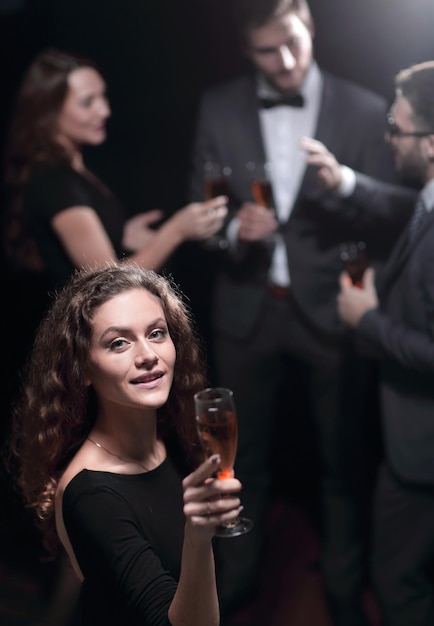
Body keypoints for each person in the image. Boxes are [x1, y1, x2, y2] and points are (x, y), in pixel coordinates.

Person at [187, 1, 409, 624]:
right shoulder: (219, 105)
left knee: (342, 462)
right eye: (266, 50)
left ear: (309, 26)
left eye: (292, 42)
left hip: (333, 313)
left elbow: (403, 212)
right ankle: (236, 583)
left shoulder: (365, 109)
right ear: (244, 49)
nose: (284, 62)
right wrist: (234, 229)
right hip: (247, 312)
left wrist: (344, 185)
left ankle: (343, 584)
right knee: (238, 461)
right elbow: (202, 211)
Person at [4, 262, 244, 626]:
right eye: (118, 343)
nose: (147, 354)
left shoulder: (172, 437)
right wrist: (198, 535)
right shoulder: (92, 495)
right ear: (81, 368)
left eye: (157, 333)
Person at [330, 60, 434, 626]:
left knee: (398, 583)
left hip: (423, 453)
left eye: (398, 128)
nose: (388, 138)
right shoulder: (426, 199)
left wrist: (367, 320)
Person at [2, 47, 227, 296]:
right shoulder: (55, 181)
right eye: (88, 102)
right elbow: (107, 285)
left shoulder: (72, 170)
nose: (105, 111)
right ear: (49, 112)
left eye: (103, 97)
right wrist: (175, 231)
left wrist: (119, 234)